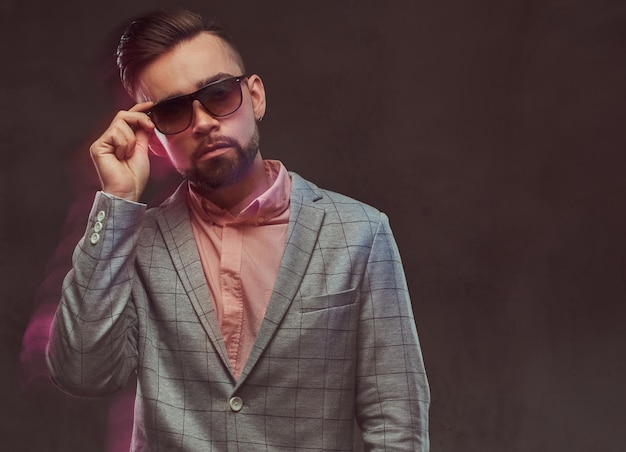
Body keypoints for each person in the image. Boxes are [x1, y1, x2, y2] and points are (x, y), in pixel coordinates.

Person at [46, 9, 430, 451]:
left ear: (256, 97)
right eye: (172, 111)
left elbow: (397, 422)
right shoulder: (133, 241)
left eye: (220, 94)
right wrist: (117, 204)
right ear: (154, 136)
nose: (205, 123)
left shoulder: (360, 233)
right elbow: (80, 372)